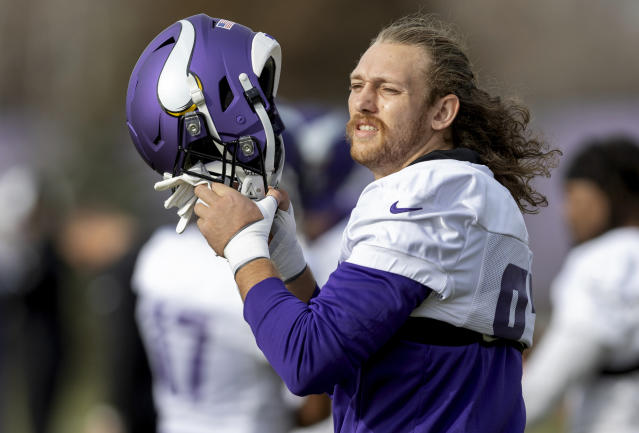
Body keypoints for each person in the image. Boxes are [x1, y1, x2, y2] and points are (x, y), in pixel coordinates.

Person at [192, 13, 560, 433]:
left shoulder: (429, 194)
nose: (363, 102)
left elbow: (308, 362)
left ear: (442, 112)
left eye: (388, 89)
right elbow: (355, 358)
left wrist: (242, 246)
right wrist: (283, 254)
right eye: (356, 85)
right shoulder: (460, 189)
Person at [126, 14, 331, 432]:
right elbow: (320, 388)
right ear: (209, 118)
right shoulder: (254, 269)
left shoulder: (157, 255)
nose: (272, 119)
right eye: (259, 103)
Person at [522, 136, 639, 433]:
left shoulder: (601, 262)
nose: (567, 212)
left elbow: (544, 387)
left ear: (608, 195)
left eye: (574, 197)